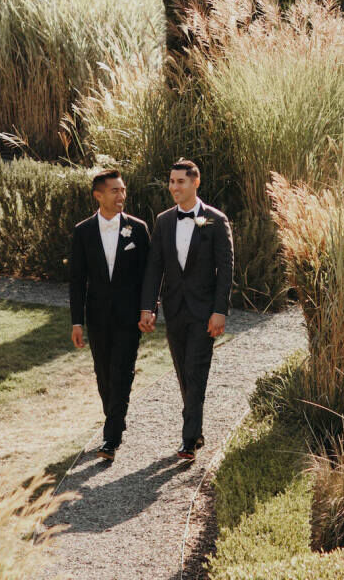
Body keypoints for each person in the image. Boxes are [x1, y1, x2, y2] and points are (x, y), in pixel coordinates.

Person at [139, 159, 233, 462]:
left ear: (196, 183)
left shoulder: (216, 220)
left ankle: (189, 439)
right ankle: (196, 428)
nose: (174, 187)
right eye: (171, 181)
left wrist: (220, 310)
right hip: (175, 311)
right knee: (183, 371)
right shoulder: (164, 221)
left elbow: (226, 269)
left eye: (180, 181)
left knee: (196, 371)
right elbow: (154, 268)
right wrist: (148, 307)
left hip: (204, 312)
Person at [69, 168, 150, 461]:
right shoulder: (83, 231)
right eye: (115, 190)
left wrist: (148, 309)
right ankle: (116, 417)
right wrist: (77, 322)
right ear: (98, 195)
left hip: (129, 317)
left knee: (122, 373)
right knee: (103, 375)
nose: (122, 196)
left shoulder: (138, 229)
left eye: (123, 190)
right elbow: (77, 280)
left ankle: (110, 437)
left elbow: (148, 275)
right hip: (97, 317)